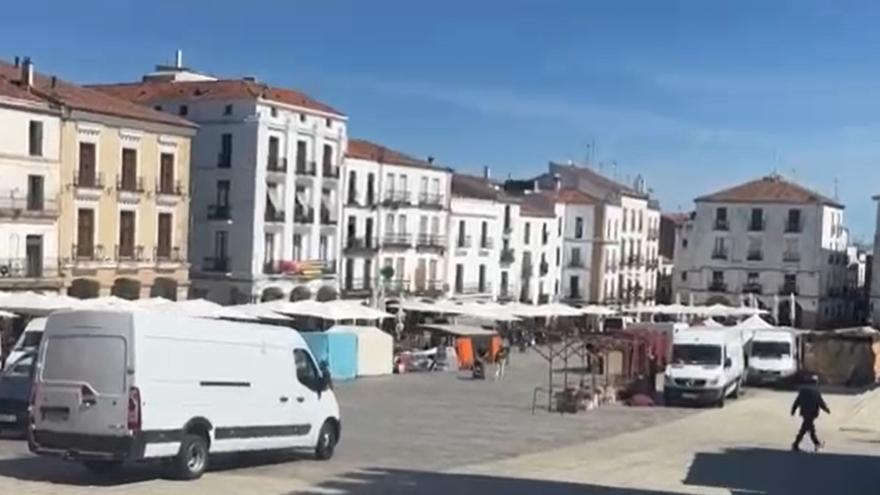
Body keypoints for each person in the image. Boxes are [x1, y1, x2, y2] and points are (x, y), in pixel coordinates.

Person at [791, 374, 830, 452]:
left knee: (808, 428)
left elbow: (797, 401)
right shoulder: (816, 391)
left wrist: (793, 410)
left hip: (804, 412)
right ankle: (797, 443)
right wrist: (826, 409)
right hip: (812, 413)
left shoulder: (803, 390)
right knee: (806, 429)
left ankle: (815, 443)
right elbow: (820, 402)